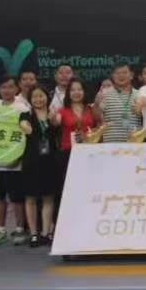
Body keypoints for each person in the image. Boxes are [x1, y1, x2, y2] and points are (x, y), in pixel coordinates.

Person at [0, 76, 30, 246]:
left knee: (17, 196)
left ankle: (20, 228)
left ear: (16, 89)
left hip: (15, 160)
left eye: (10, 87)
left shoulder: (23, 108)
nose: (7, 90)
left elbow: (26, 135)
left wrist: (17, 157)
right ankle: (0, 229)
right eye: (3, 87)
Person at [18, 85, 58, 247]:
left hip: (49, 161)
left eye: (41, 96)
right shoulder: (25, 115)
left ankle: (46, 232)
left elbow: (57, 125)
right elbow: (26, 128)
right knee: (31, 198)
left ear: (47, 97)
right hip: (31, 161)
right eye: (35, 96)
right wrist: (26, 126)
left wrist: (52, 119)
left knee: (48, 197)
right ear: (30, 99)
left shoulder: (53, 114)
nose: (38, 99)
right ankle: (34, 233)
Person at [50, 78, 98, 214]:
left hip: (89, 154)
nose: (76, 92)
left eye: (79, 89)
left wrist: (90, 134)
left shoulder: (91, 109)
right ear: (68, 93)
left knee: (88, 185)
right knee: (69, 186)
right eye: (73, 90)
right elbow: (56, 122)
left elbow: (99, 127)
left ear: (84, 91)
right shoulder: (63, 110)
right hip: (68, 154)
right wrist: (52, 117)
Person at [93, 63, 140, 143]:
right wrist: (96, 104)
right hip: (111, 144)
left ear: (131, 75)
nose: (121, 75)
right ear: (113, 76)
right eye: (117, 73)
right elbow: (97, 118)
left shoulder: (139, 94)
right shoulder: (105, 94)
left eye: (124, 72)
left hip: (134, 144)